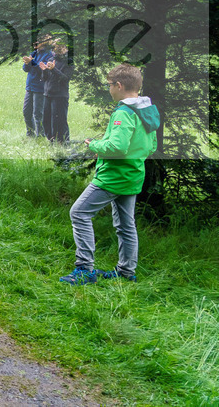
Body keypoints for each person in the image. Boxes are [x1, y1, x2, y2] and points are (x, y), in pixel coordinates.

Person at [60, 64, 159, 285]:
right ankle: (126, 272)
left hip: (113, 176)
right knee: (126, 224)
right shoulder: (147, 110)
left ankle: (84, 270)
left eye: (109, 85)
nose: (109, 89)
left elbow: (117, 147)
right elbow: (151, 146)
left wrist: (95, 144)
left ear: (119, 85)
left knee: (79, 213)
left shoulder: (124, 112)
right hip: (133, 175)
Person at [22, 34, 53, 137]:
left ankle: (40, 135)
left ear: (44, 43)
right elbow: (26, 69)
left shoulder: (49, 55)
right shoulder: (34, 53)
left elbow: (43, 69)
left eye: (37, 42)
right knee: (26, 112)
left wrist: (32, 63)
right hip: (30, 87)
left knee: (38, 114)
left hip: (40, 87)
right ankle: (30, 134)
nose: (35, 43)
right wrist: (27, 63)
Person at [43, 40, 74, 143]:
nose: (56, 50)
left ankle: (63, 142)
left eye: (59, 48)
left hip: (60, 95)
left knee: (59, 121)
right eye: (55, 48)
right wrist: (44, 70)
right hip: (48, 94)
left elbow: (65, 78)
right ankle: (51, 140)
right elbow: (45, 78)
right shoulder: (51, 59)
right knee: (46, 120)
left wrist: (53, 69)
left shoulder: (69, 62)